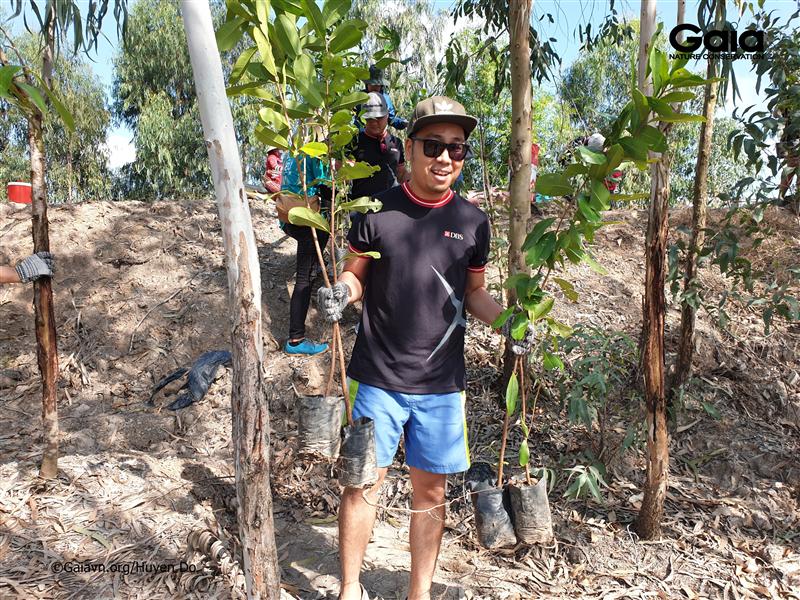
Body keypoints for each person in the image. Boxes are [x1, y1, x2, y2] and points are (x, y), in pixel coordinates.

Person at [318, 96, 534, 600]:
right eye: (433, 145)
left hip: (441, 386)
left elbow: (474, 293)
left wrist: (508, 323)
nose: (444, 158)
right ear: (410, 148)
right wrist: (340, 294)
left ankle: (419, 593)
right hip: (376, 379)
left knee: (432, 492)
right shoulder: (376, 212)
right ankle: (350, 588)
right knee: (362, 484)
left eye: (456, 149)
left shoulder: (473, 222)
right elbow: (355, 275)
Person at [280, 154, 332, 356]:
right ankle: (296, 340)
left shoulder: (291, 153)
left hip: (289, 218)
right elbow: (326, 188)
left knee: (308, 272)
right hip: (309, 221)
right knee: (305, 277)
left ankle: (296, 338)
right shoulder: (315, 154)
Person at [347, 92, 407, 201]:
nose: (374, 122)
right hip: (362, 206)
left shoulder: (396, 142)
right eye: (369, 118)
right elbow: (345, 173)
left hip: (391, 205)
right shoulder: (354, 141)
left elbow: (401, 174)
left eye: (378, 117)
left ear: (387, 115)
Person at [355, 65, 407, 131]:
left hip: (379, 132)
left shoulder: (385, 98)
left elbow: (391, 119)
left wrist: (402, 123)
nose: (374, 87)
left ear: (381, 86)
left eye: (377, 85)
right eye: (372, 84)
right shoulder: (359, 97)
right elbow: (353, 116)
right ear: (367, 84)